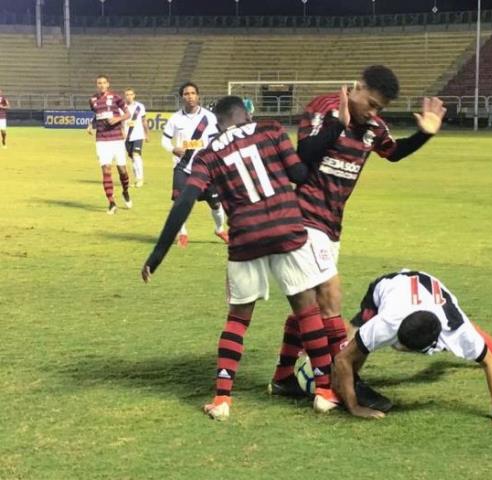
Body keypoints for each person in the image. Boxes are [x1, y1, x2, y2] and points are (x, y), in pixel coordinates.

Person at [142, 96, 341, 421]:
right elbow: (300, 173)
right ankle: (324, 392)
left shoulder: (209, 153)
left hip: (246, 237)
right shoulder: (271, 130)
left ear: (218, 124)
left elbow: (186, 201)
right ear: (247, 115)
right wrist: (334, 130)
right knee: (307, 310)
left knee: (237, 320)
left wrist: (158, 253)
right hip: (287, 228)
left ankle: (222, 400)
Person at [269, 65, 447, 396]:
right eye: (372, 104)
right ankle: (334, 383)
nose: (375, 113)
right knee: (331, 297)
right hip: (304, 218)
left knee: (311, 304)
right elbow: (302, 160)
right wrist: (339, 124)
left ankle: (283, 378)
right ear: (357, 88)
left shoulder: (374, 127)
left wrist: (425, 134)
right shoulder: (323, 108)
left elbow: (393, 153)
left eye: (381, 109)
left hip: (332, 224)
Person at [332, 269, 492, 430]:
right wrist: (354, 407)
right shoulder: (386, 322)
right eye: (398, 345)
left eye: (404, 348)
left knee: (479, 346)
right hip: (390, 285)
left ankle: (476, 335)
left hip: (434, 298)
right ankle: (339, 385)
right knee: (354, 345)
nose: (398, 349)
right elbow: (343, 358)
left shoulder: (455, 330)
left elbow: (490, 362)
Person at [161, 82, 228, 247]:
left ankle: (220, 229)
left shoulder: (209, 117)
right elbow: (164, 139)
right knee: (179, 202)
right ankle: (182, 233)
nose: (190, 96)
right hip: (182, 167)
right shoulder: (175, 118)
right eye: (186, 94)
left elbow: (216, 139)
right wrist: (173, 149)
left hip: (205, 168)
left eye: (192, 93)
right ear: (182, 97)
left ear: (198, 96)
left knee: (215, 203)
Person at [87, 75, 132, 214]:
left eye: (103, 83)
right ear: (97, 85)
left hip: (117, 139)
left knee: (122, 171)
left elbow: (128, 113)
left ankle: (125, 190)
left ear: (108, 84)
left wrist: (117, 118)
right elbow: (97, 116)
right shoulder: (92, 100)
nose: (101, 85)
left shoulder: (116, 97)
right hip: (101, 140)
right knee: (106, 169)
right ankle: (111, 202)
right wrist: (91, 124)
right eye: (99, 83)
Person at [123, 88, 150, 187]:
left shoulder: (140, 106)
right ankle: (136, 179)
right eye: (127, 95)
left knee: (136, 155)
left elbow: (144, 121)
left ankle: (140, 179)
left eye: (130, 94)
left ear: (134, 95)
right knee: (132, 158)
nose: (129, 96)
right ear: (124, 96)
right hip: (126, 136)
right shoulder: (122, 107)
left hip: (138, 135)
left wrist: (147, 134)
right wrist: (122, 132)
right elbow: (121, 122)